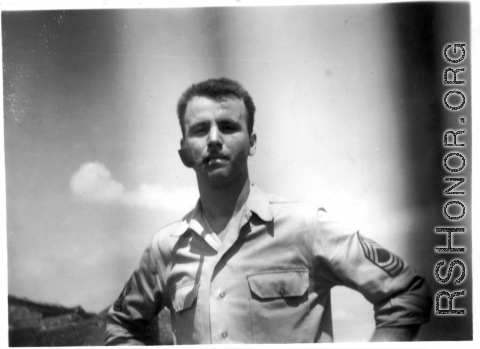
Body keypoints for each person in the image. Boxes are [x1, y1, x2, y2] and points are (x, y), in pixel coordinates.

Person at [104, 77, 432, 345]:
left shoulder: (305, 226)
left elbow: (406, 290)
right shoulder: (165, 248)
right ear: (184, 151)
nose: (214, 139)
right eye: (201, 130)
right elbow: (121, 325)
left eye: (229, 127)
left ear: (253, 142)